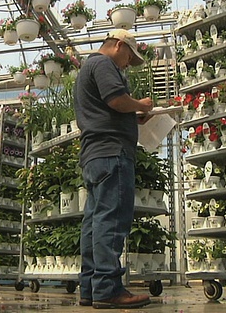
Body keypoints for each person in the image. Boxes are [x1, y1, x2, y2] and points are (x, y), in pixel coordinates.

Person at [74, 29, 154, 309]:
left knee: (95, 223)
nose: (126, 65)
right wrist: (140, 105)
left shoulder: (88, 67)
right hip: (112, 151)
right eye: (128, 58)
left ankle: (90, 288)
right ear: (119, 45)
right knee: (111, 220)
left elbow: (110, 107)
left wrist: (133, 114)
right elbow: (116, 100)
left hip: (96, 153)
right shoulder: (103, 63)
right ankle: (108, 289)